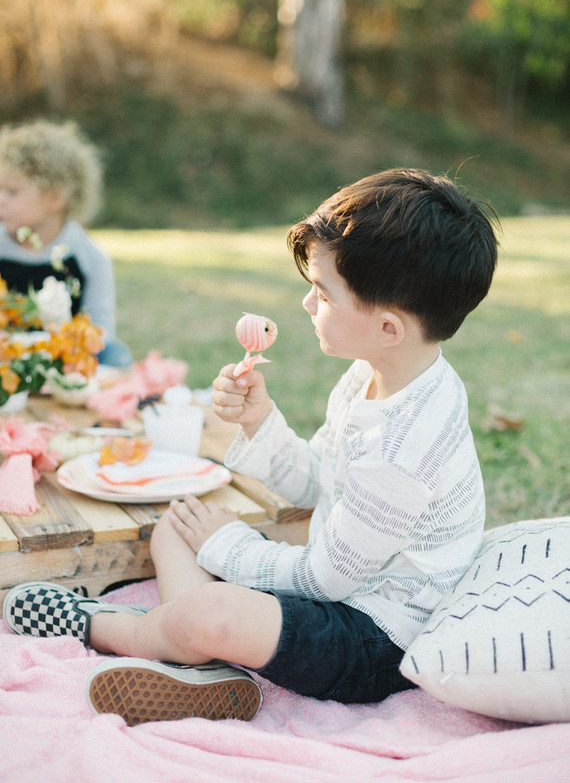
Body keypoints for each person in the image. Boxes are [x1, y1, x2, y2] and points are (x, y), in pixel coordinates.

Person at [3, 168, 499, 725]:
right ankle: (204, 666)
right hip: (340, 590)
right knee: (180, 525)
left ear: (388, 328)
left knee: (215, 602)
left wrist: (228, 546)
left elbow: (325, 579)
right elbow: (318, 480)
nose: (307, 304)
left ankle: (111, 626)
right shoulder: (374, 375)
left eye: (322, 293)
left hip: (375, 638)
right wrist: (260, 422)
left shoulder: (407, 448)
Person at [0, 119, 131, 367]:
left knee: (117, 355)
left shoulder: (89, 257)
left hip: (65, 364)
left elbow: (102, 334)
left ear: (55, 197)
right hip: (6, 362)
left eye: (12, 192)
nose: (0, 200)